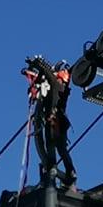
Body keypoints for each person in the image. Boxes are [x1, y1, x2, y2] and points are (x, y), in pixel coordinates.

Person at [22, 57, 77, 189]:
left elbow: (48, 74)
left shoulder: (57, 85)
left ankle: (53, 167)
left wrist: (37, 63)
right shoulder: (61, 88)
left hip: (54, 120)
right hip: (59, 121)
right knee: (61, 147)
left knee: (51, 143)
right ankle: (69, 171)